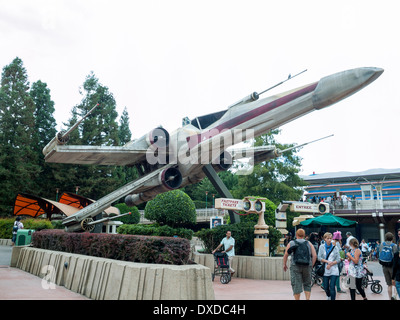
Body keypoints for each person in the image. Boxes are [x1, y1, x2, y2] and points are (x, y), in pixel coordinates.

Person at [283, 228, 317, 300]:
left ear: (296, 235)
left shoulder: (292, 243)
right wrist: (311, 265)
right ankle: (307, 299)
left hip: (295, 266)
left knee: (296, 284)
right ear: (304, 235)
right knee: (307, 284)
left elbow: (286, 255)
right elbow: (314, 256)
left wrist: (284, 264)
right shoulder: (309, 243)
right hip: (307, 265)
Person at [318, 232, 341, 300]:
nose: (329, 240)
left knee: (332, 286)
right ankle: (328, 296)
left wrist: (331, 263)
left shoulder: (335, 247)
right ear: (324, 239)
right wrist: (327, 262)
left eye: (330, 238)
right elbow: (319, 257)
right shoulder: (322, 247)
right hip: (325, 269)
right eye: (328, 238)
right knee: (325, 287)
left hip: (334, 269)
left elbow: (338, 259)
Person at [378, 232, 398, 300]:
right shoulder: (394, 245)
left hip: (384, 266)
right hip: (392, 266)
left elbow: (380, 253)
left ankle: (390, 298)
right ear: (392, 238)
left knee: (389, 284)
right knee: (395, 283)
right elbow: (396, 256)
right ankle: (394, 296)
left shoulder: (382, 244)